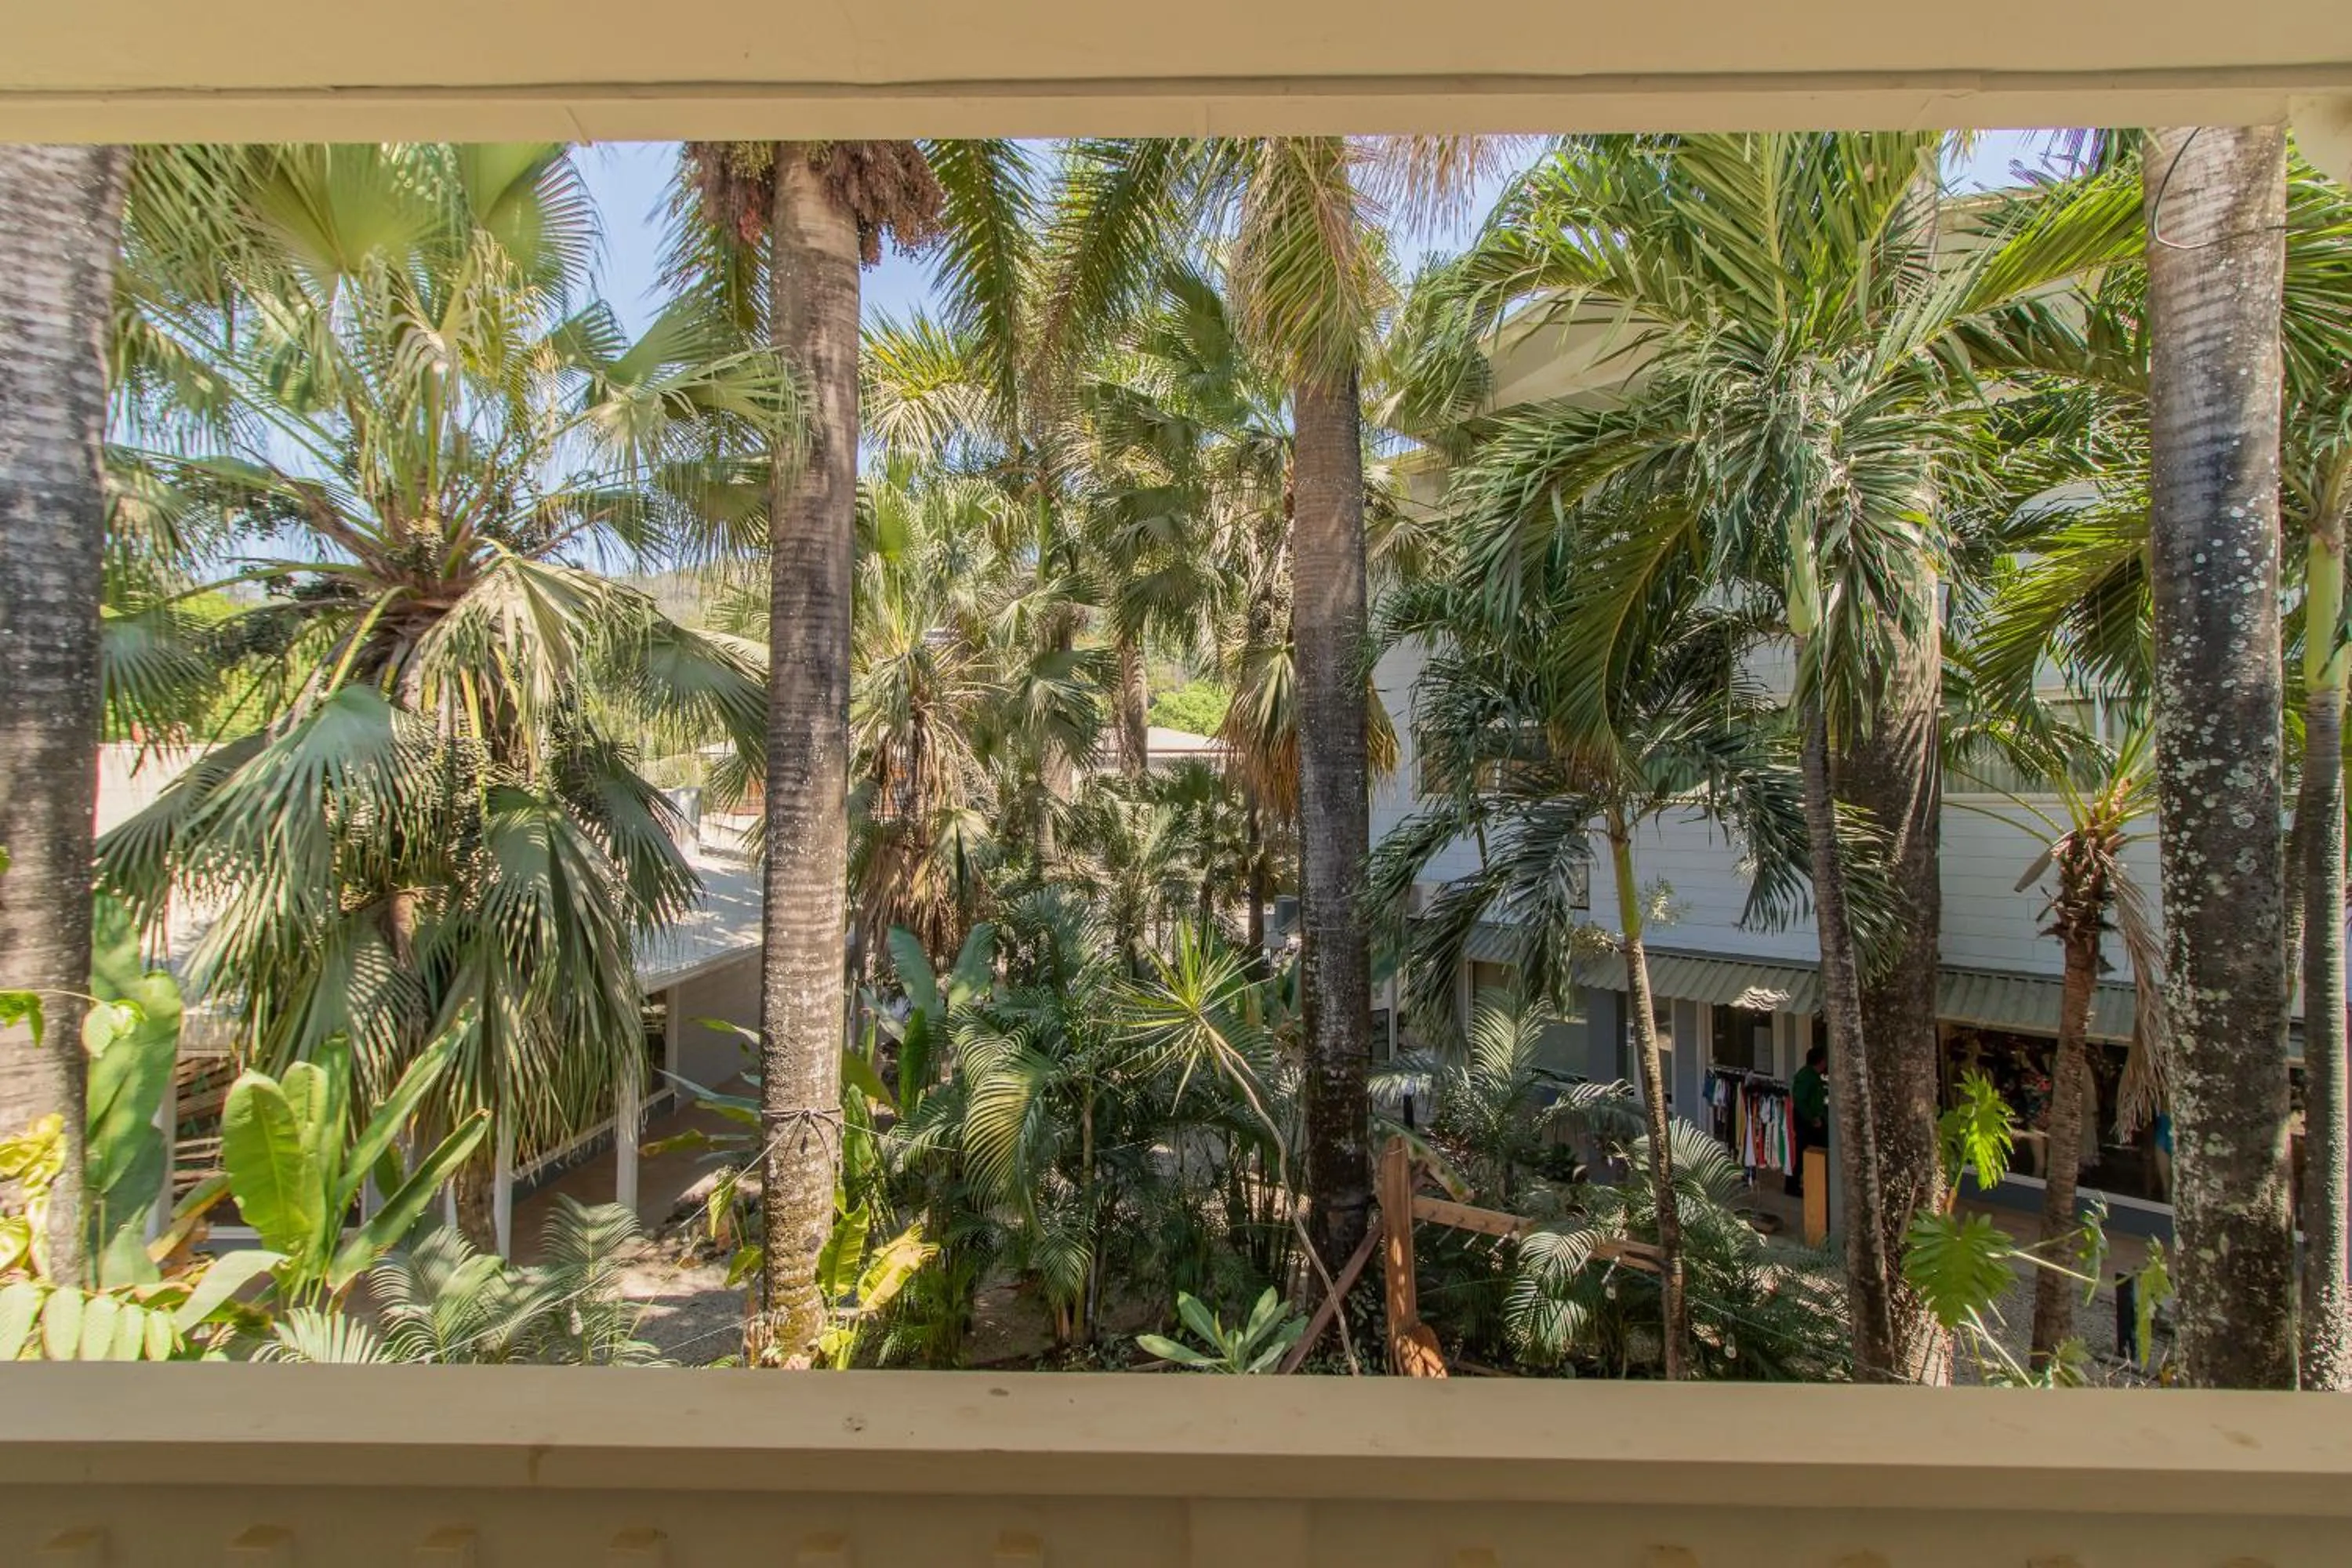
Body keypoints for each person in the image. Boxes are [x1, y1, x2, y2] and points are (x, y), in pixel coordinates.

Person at [1789, 1042, 1829, 1197]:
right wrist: (1812, 1118)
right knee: (1802, 1152)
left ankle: (1813, 1181)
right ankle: (1793, 1185)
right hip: (1806, 1121)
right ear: (1820, 1061)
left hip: (1814, 1119)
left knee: (1816, 1151)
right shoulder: (1807, 1077)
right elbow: (1799, 1100)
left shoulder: (1814, 1076)